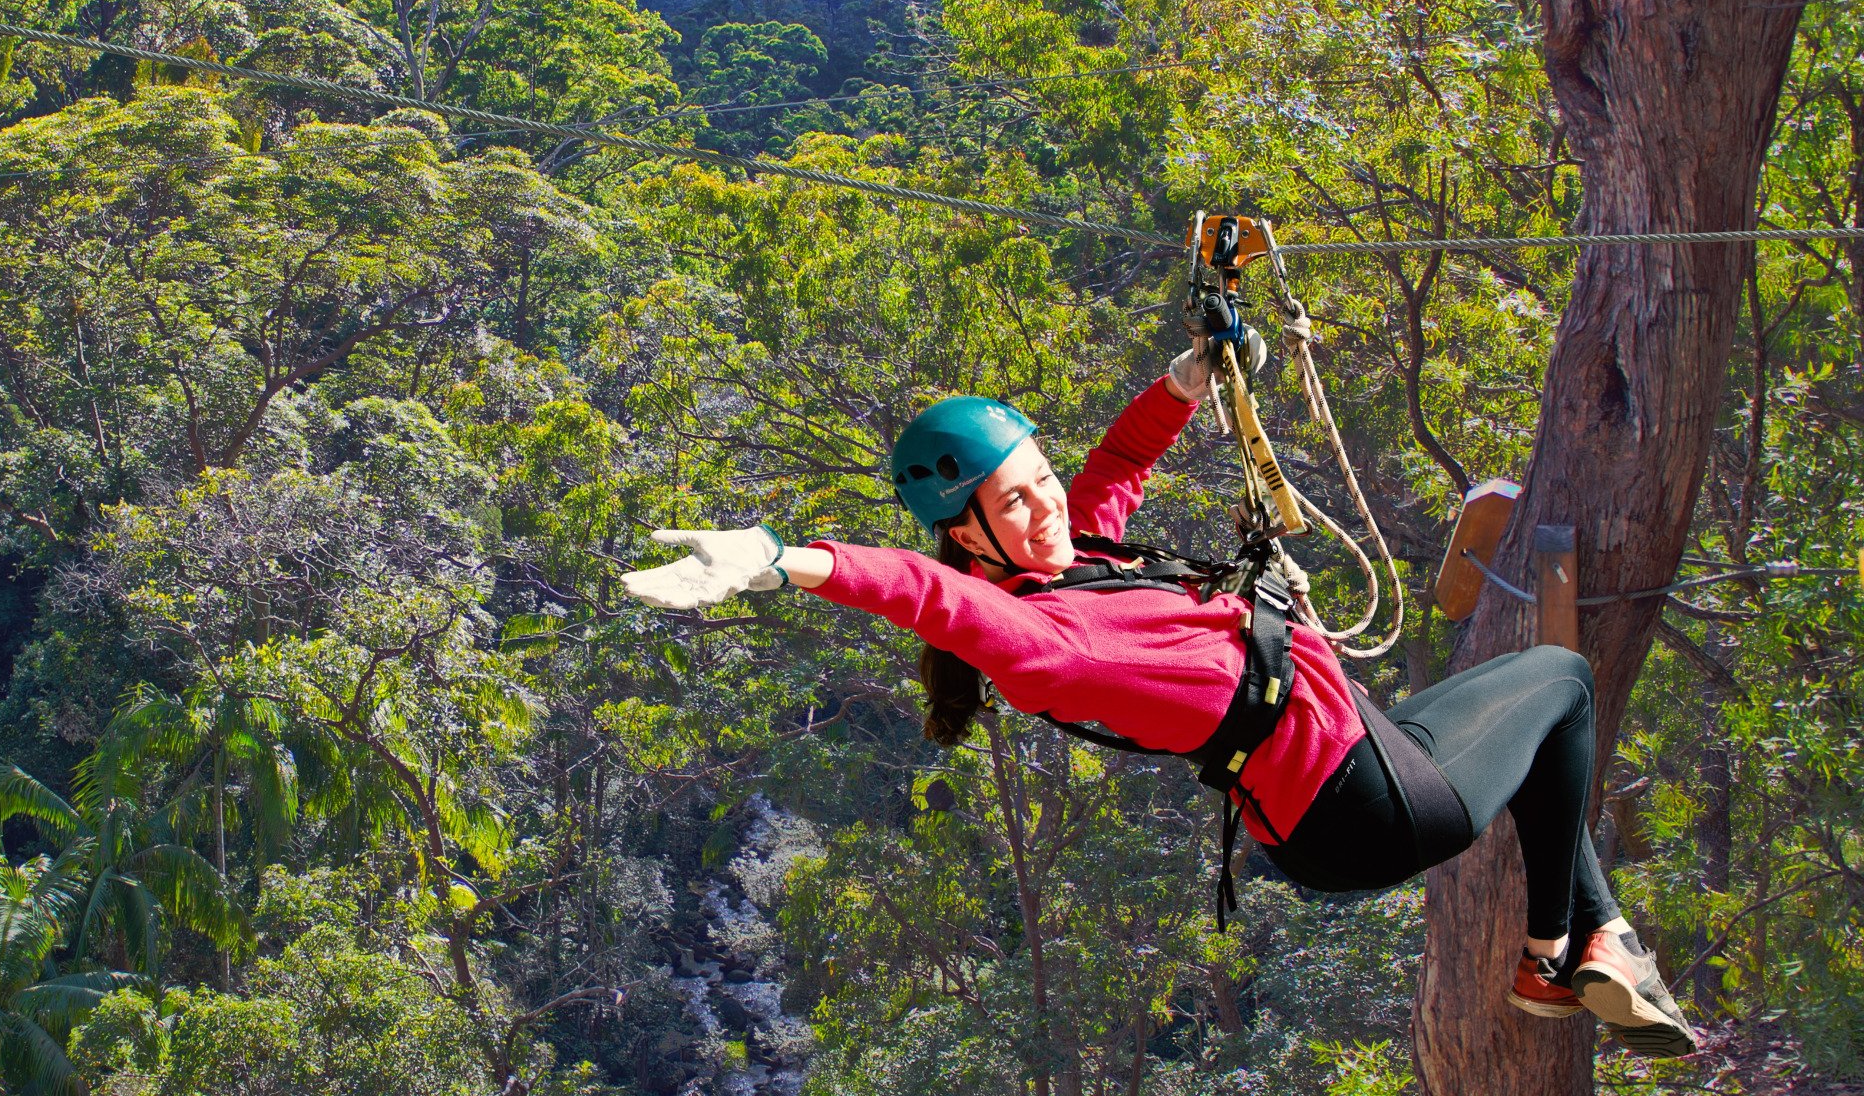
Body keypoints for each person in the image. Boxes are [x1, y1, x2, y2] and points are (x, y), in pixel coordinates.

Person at [621, 343, 1700, 1059]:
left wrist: (1191, 371)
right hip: (1361, 802)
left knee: (1511, 721)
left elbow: (1122, 460)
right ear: (965, 532)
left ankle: (1590, 938)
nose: (1046, 506)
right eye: (1014, 499)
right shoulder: (1037, 640)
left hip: (1340, 776)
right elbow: (923, 595)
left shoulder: (1070, 555)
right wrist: (780, 558)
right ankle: (1560, 946)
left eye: (1040, 478)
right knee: (1561, 681)